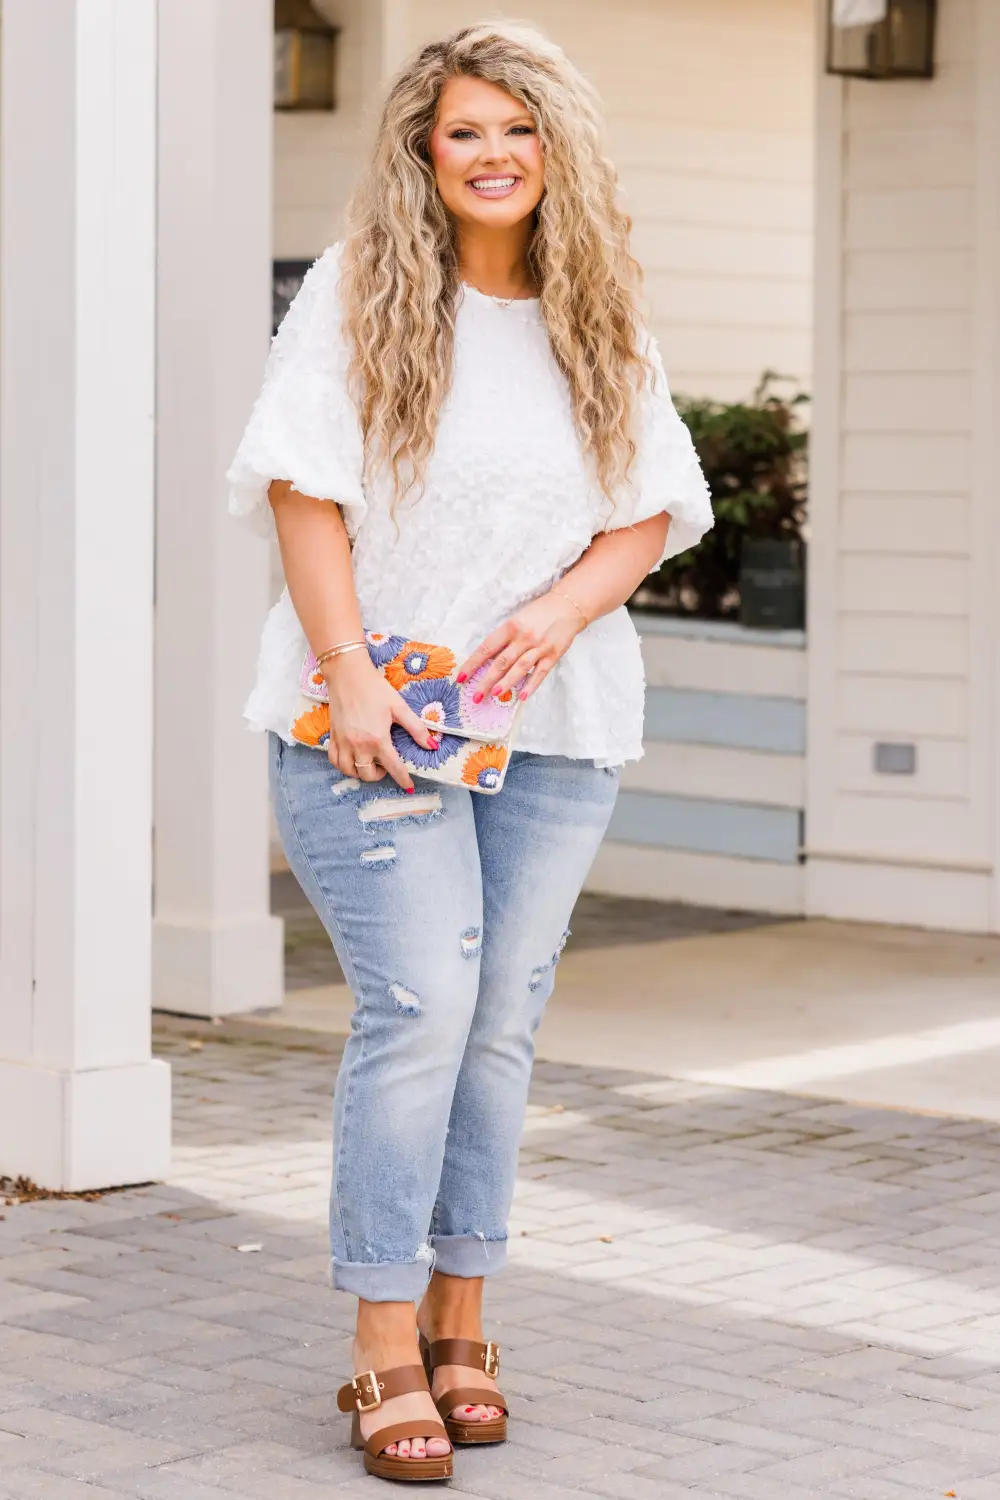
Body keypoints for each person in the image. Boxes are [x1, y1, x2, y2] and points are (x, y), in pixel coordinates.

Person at [228, 20, 712, 1484]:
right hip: (366, 724)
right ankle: (381, 1347)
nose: (494, 152)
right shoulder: (361, 298)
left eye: (519, 128)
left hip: (553, 728)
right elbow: (303, 493)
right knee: (421, 1005)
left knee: (500, 1020)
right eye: (464, 131)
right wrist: (350, 670)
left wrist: (563, 612)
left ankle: (463, 1318)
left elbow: (651, 506)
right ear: (423, 157)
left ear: (554, 149)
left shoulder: (598, 314)